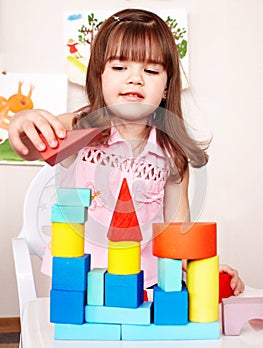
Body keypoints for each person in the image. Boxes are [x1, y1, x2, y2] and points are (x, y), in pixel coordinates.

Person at [8, 8, 244, 295]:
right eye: (120, 68)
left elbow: (178, 231)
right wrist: (23, 123)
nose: (135, 78)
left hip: (143, 282)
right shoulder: (78, 126)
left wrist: (205, 268)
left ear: (167, 86)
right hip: (78, 281)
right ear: (101, 77)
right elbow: (33, 145)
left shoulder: (173, 155)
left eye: (151, 70)